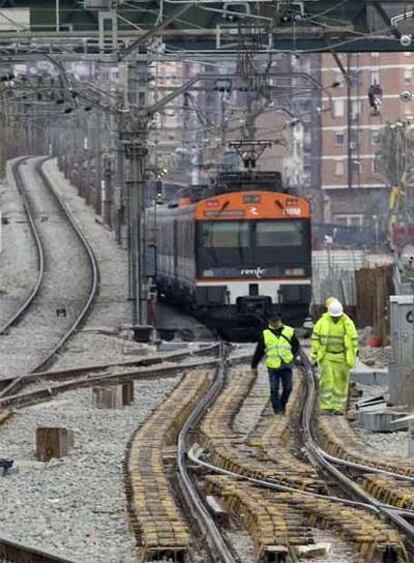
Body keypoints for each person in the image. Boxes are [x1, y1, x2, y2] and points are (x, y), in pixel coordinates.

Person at [311, 299, 358, 415]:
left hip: (342, 356)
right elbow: (315, 339)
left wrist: (353, 355)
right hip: (326, 355)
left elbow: (353, 341)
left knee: (340, 382)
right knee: (327, 381)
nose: (335, 318)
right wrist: (314, 355)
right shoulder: (322, 322)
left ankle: (337, 406)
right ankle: (327, 406)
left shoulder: (347, 323)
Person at [251, 315, 300, 415]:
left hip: (286, 364)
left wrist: (293, 357)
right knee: (274, 389)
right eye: (273, 322)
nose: (275, 324)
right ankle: (277, 410)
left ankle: (282, 404)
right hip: (273, 366)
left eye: (276, 322)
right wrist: (254, 365)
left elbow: (296, 345)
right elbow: (259, 351)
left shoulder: (289, 331)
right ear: (270, 322)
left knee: (288, 388)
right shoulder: (265, 334)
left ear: (280, 321)